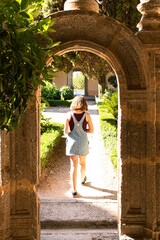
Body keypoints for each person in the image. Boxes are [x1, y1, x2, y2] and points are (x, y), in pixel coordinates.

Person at [64, 95, 94, 197]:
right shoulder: (87, 115)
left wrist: (73, 133)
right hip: (83, 142)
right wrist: (83, 130)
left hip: (72, 142)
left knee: (73, 166)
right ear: (84, 104)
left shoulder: (68, 115)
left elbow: (66, 131)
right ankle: (82, 179)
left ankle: (74, 189)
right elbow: (91, 130)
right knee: (82, 163)